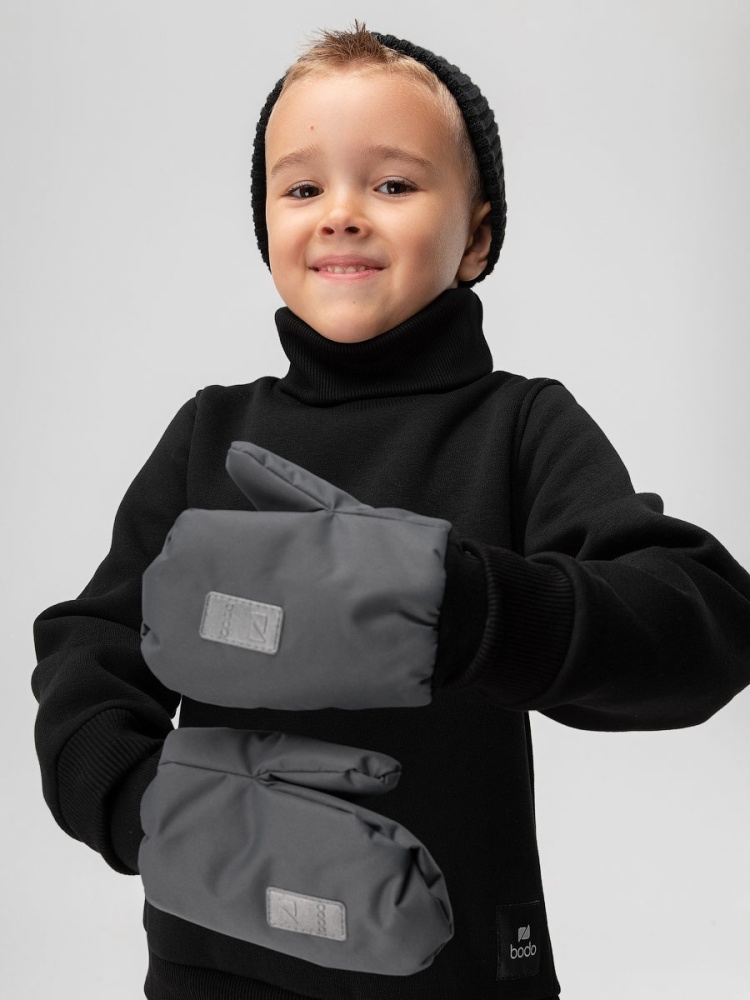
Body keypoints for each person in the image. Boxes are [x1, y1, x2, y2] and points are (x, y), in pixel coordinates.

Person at [30, 20, 750, 1000]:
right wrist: (134, 798)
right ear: (266, 227)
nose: (341, 214)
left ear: (477, 237)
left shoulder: (520, 428)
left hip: (457, 969)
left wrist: (469, 609)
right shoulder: (210, 434)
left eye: (394, 184)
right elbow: (90, 646)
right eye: (301, 188)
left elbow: (703, 626)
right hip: (215, 962)